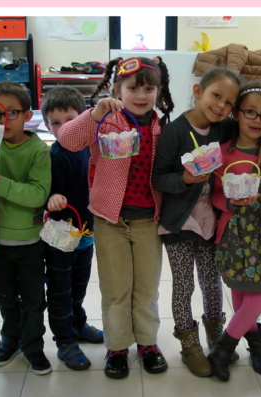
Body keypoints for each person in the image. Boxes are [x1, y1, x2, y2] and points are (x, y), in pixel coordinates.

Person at [152, 69, 261, 377]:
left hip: (215, 222)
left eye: (229, 102)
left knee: (212, 284)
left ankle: (217, 337)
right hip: (181, 224)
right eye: (216, 96)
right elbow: (158, 178)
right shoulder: (174, 132)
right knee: (183, 286)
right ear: (198, 91)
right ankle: (189, 345)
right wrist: (184, 178)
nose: (221, 105)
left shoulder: (225, 128)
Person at [56, 56, 174, 379]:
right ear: (116, 89)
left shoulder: (162, 127)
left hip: (149, 221)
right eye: (133, 88)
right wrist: (93, 115)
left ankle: (147, 343)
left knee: (147, 288)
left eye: (149, 89)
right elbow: (66, 139)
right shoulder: (105, 120)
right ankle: (118, 346)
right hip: (110, 221)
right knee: (116, 288)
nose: (141, 95)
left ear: (158, 91)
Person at [0, 81, 53, 376]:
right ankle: (10, 340)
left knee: (33, 300)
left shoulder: (38, 151)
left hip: (29, 241)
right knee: (4, 296)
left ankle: (33, 347)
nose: (2, 121)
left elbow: (38, 194)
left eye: (10, 113)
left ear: (27, 115)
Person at [208, 80, 261, 382]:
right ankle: (258, 346)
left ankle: (222, 349)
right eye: (250, 113)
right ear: (237, 114)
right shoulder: (222, 153)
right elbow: (214, 194)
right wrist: (229, 201)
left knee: (257, 299)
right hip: (233, 235)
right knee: (241, 297)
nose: (257, 120)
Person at [40, 86, 104, 371]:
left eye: (70, 120)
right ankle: (65, 340)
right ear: (47, 126)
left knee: (78, 287)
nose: (63, 128)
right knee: (59, 291)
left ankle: (78, 324)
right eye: (56, 123)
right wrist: (51, 197)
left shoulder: (91, 149)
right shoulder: (54, 155)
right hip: (60, 234)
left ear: (83, 121)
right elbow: (45, 190)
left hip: (86, 234)